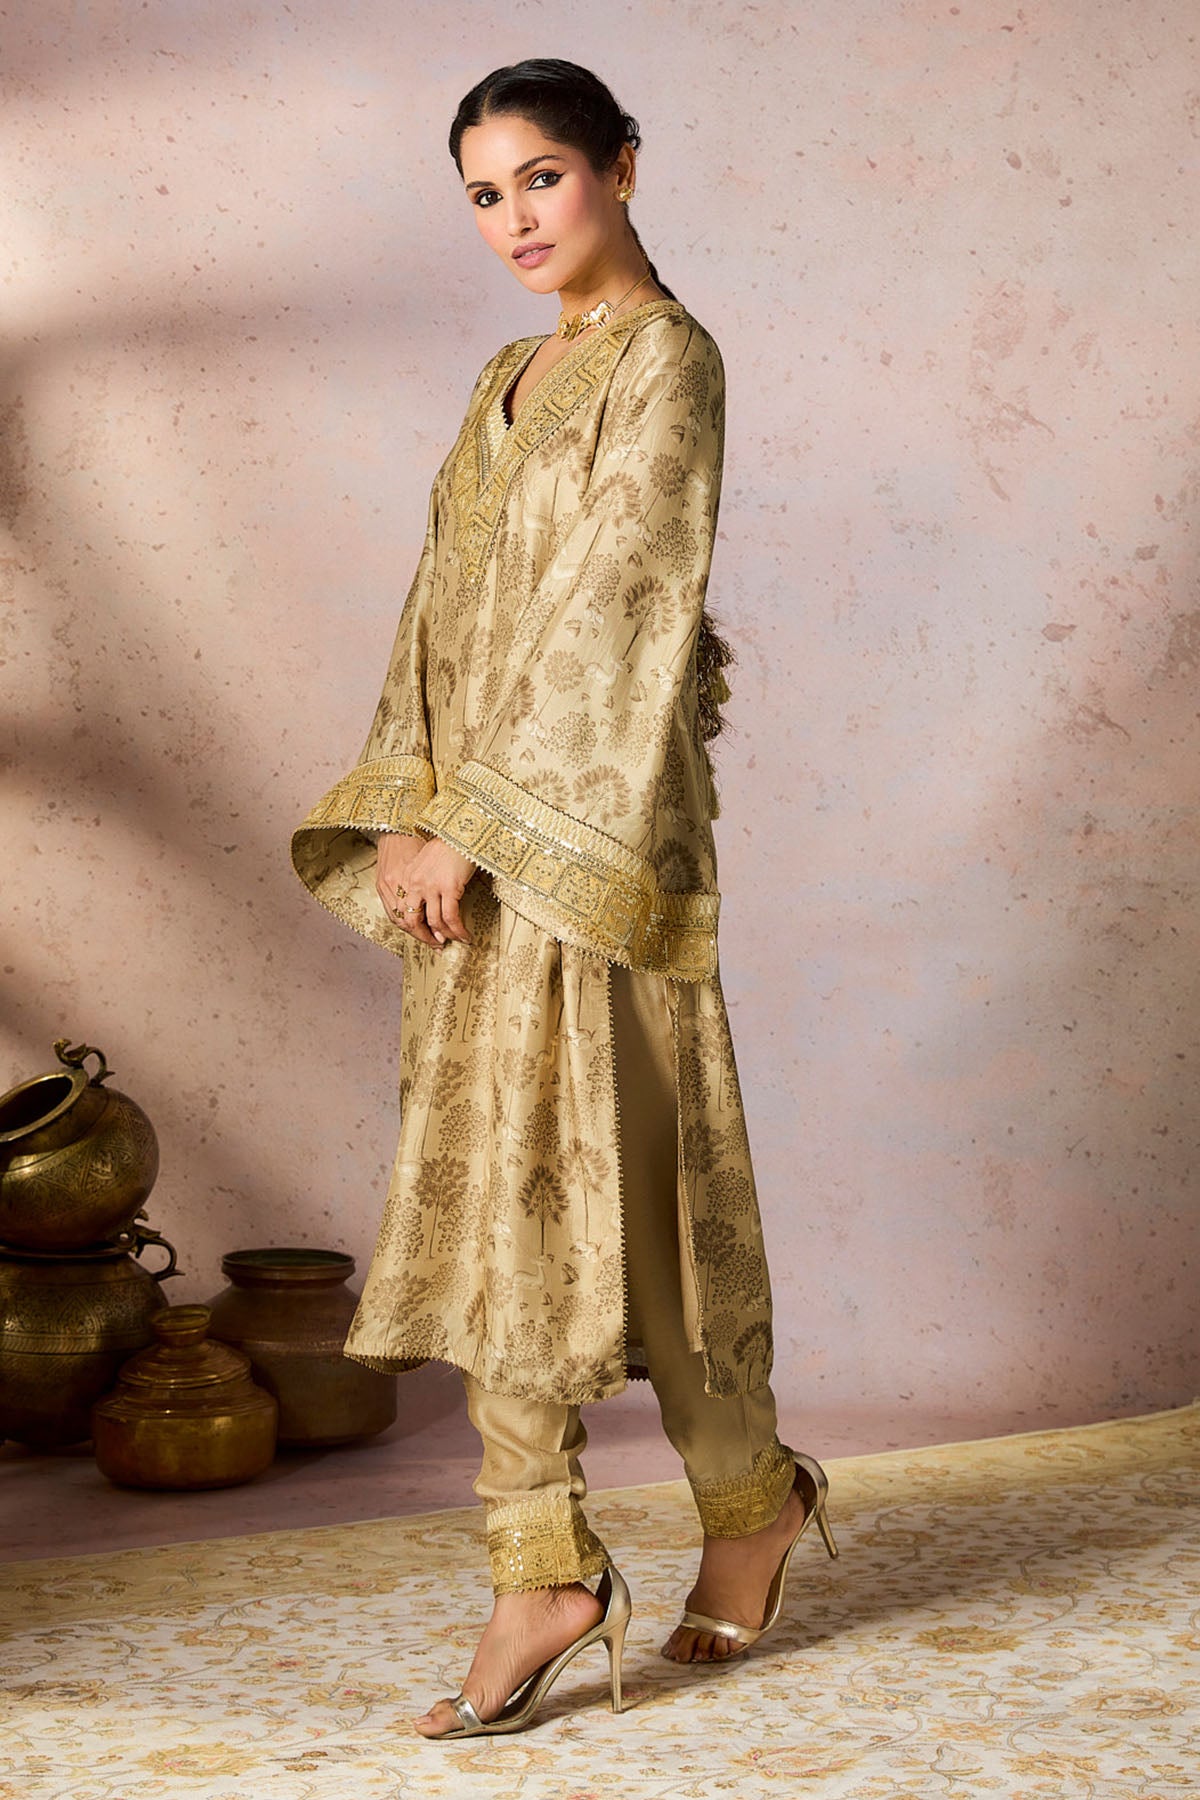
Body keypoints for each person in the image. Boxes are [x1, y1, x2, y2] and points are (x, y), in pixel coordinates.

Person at [291, 58, 838, 1740]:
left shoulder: (670, 360)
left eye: (543, 176)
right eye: (484, 194)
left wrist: (486, 828)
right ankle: (540, 1562)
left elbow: (617, 604)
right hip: (468, 834)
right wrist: (409, 810)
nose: (516, 218)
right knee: (499, 1194)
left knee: (648, 1195)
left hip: (594, 839)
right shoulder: (506, 375)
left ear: (621, 166)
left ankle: (749, 1500)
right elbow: (440, 608)